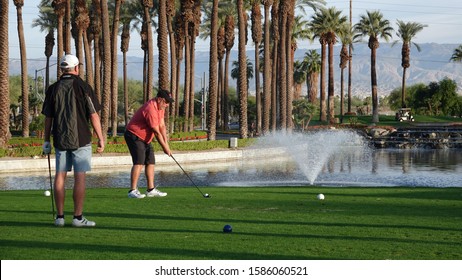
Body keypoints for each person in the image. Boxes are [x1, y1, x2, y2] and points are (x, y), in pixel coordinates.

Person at [42, 54, 105, 227]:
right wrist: (101, 138)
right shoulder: (83, 87)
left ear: (62, 69)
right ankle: (77, 218)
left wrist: (46, 140)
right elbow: (93, 115)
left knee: (60, 176)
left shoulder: (53, 88)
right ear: (77, 68)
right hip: (82, 139)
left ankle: (60, 218)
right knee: (80, 177)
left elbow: (48, 118)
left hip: (60, 139)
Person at [124, 89, 173, 198]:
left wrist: (166, 144)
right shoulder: (150, 109)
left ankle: (150, 189)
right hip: (134, 135)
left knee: (150, 161)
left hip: (145, 138)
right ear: (160, 99)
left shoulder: (161, 107)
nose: (167, 105)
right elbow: (156, 132)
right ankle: (132, 190)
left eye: (169, 102)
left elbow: (162, 126)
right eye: (166, 102)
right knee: (139, 162)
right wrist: (165, 148)